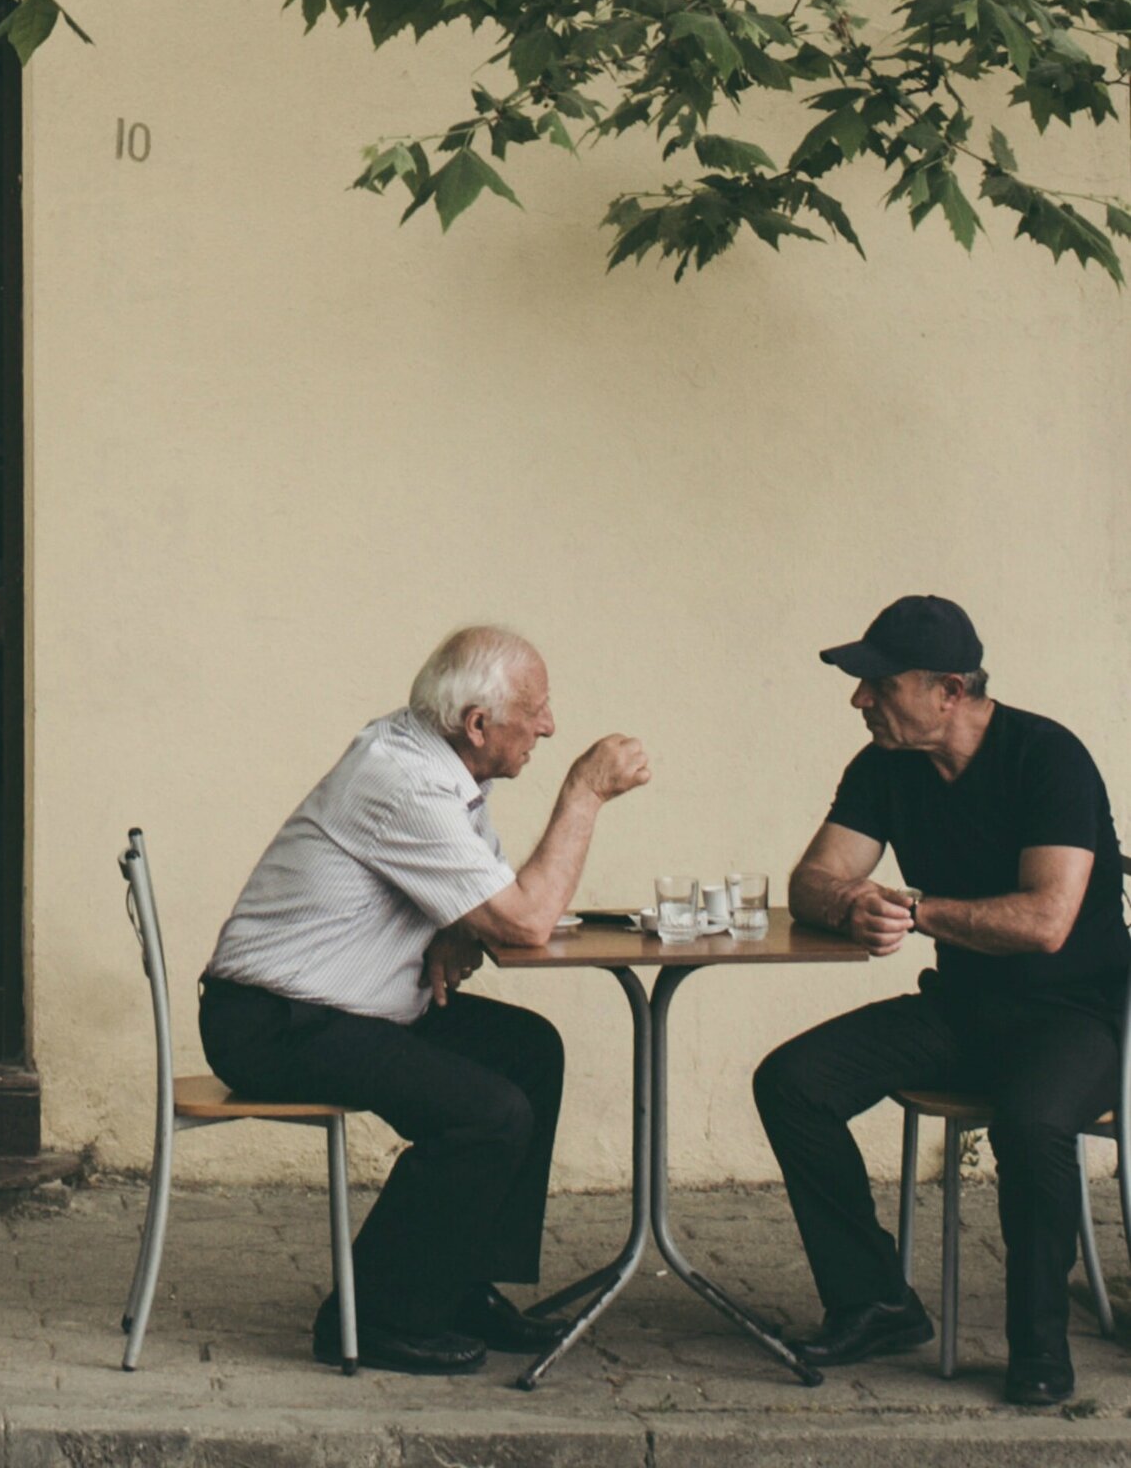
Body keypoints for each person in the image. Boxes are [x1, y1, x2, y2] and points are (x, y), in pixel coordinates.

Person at [199, 625, 652, 1374]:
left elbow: (493, 904)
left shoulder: (441, 769)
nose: (548, 726)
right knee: (487, 1113)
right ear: (477, 725)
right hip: (274, 1022)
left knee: (528, 1052)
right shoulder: (404, 779)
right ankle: (373, 1316)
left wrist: (458, 924)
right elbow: (527, 919)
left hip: (342, 1008)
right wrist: (584, 793)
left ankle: (457, 1284)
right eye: (534, 711)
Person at [754, 595, 1130, 1407]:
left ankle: (1039, 1348)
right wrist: (849, 904)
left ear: (950, 690)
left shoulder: (1048, 757)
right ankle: (875, 1301)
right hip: (961, 1009)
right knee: (792, 1081)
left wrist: (918, 910)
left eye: (878, 685)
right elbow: (811, 880)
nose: (860, 701)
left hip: (1078, 1014)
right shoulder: (884, 766)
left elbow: (1047, 920)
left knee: (1031, 1123)